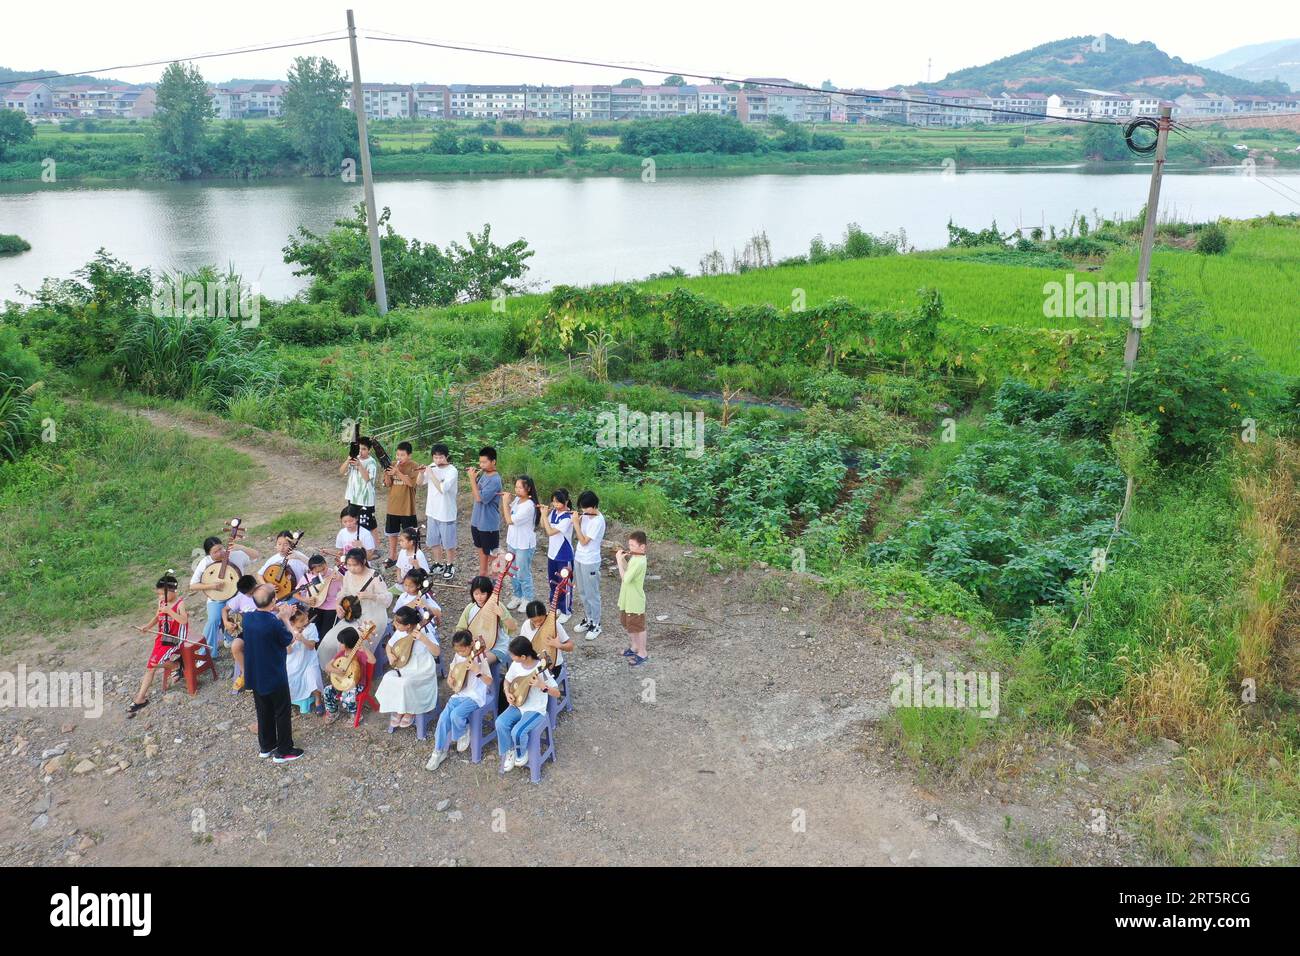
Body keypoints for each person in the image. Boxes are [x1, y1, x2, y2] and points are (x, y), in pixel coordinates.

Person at [241, 584, 303, 762]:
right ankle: (284, 751)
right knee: (282, 712)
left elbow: (265, 623)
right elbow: (290, 638)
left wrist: (279, 614)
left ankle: (266, 746)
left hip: (255, 674)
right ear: (274, 600)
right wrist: (285, 619)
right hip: (274, 675)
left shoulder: (248, 618)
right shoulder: (274, 624)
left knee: (263, 710)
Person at [425, 630, 493, 771]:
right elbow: (453, 669)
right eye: (458, 651)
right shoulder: (458, 656)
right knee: (443, 718)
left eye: (463, 651)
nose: (460, 653)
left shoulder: (480, 658)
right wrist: (450, 678)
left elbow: (489, 681)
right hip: (459, 693)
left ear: (471, 645)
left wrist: (477, 670)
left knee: (456, 714)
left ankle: (462, 731)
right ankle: (438, 751)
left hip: (475, 696)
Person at [126, 572, 190, 716]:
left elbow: (184, 621)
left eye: (163, 594)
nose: (161, 597)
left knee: (153, 664)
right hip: (162, 638)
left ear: (173, 591)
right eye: (159, 594)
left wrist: (170, 611)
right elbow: (157, 616)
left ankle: (177, 666)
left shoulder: (180, 604)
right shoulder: (161, 602)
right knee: (151, 666)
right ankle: (141, 698)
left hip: (175, 639)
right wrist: (147, 626)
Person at [189, 534, 259, 660]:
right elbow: (193, 585)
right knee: (213, 620)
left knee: (242, 615)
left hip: (236, 595)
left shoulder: (235, 554)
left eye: (221, 549)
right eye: (215, 552)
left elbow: (256, 555)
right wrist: (211, 586)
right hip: (216, 597)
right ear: (208, 554)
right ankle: (206, 653)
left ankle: (231, 637)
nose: (220, 553)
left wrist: (241, 547)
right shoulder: (205, 562)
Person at [496, 636, 561, 773]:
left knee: (517, 731)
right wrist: (507, 693)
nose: (511, 658)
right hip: (518, 704)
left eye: (513, 656)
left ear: (524, 656)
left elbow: (557, 693)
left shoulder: (541, 669)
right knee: (500, 722)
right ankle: (510, 750)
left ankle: (521, 752)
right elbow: (507, 681)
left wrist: (542, 685)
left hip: (535, 710)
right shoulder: (516, 665)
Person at [318, 548, 391, 668]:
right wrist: (338, 605)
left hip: (373, 616)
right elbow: (343, 592)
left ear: (363, 561)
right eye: (349, 565)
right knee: (329, 641)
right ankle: (335, 668)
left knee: (351, 643)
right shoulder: (348, 574)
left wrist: (371, 596)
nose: (351, 568)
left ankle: (354, 671)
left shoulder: (374, 576)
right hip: (353, 613)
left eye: (355, 565)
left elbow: (388, 598)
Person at [376, 605, 441, 729]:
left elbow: (437, 652)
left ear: (408, 626)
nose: (395, 624)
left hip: (422, 671)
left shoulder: (424, 632)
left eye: (398, 623)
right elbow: (390, 646)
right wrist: (390, 655)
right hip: (404, 668)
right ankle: (399, 707)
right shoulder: (400, 633)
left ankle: (410, 710)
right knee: (388, 678)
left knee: (406, 683)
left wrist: (423, 639)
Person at [418, 442, 458, 579]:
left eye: (441, 457)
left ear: (447, 456)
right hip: (432, 511)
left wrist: (430, 472)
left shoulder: (452, 471)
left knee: (448, 542)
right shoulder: (432, 467)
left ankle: (450, 564)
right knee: (433, 540)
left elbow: (442, 489)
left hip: (446, 513)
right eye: (435, 457)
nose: (437, 460)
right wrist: (422, 473)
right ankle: (438, 563)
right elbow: (419, 483)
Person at [322, 626, 376, 723]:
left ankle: (355, 715)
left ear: (348, 643)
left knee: (347, 695)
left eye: (341, 642)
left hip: (357, 684)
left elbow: (373, 660)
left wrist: (365, 649)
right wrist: (337, 671)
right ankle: (333, 711)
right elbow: (327, 666)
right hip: (341, 681)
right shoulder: (342, 653)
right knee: (327, 690)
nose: (339, 644)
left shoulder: (360, 654)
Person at [500, 474, 538, 612]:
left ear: (528, 488)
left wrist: (504, 502)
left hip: (524, 544)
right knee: (512, 570)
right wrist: (509, 502)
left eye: (520, 487)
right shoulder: (517, 500)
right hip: (513, 541)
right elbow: (509, 513)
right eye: (515, 487)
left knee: (523, 571)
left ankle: (527, 598)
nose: (517, 490)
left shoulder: (529, 506)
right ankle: (517, 595)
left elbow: (509, 520)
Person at [572, 490, 606, 640]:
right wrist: (577, 519)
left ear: (594, 506)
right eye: (582, 508)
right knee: (582, 591)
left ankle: (596, 624)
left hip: (590, 561)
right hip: (579, 558)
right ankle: (588, 619)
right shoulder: (586, 516)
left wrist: (575, 524)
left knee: (592, 594)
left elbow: (584, 541)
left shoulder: (598, 521)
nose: (583, 511)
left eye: (586, 508)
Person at [382, 441, 421, 568]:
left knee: (410, 536)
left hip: (407, 508)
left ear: (409, 455)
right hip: (393, 507)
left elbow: (411, 483)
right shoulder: (392, 464)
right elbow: (387, 484)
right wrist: (386, 473)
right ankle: (392, 556)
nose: (399, 458)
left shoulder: (414, 466)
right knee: (392, 534)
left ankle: (412, 558)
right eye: (398, 455)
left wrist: (398, 472)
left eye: (402, 455)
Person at [540, 488, 575, 623]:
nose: (555, 504)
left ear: (566, 501)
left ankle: (566, 610)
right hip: (552, 554)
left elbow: (550, 532)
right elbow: (544, 525)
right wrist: (544, 513)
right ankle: (556, 607)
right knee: (553, 582)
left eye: (558, 502)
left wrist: (544, 515)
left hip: (564, 555)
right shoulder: (554, 512)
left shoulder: (568, 517)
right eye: (553, 502)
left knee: (564, 584)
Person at [466, 446, 503, 577]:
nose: (481, 465)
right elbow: (477, 490)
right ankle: (482, 575)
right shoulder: (484, 475)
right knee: (481, 549)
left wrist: (471, 479)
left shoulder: (495, 480)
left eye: (484, 462)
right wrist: (475, 479)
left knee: (492, 552)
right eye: (480, 462)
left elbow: (479, 497)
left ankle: (494, 579)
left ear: (493, 462)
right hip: (477, 520)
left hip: (488, 523)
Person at [616, 531, 649, 667]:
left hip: (635, 600)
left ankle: (643, 652)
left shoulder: (640, 561)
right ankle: (634, 647)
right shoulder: (635, 558)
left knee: (638, 626)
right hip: (626, 598)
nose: (630, 548)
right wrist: (623, 559)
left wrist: (618, 560)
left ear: (642, 547)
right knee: (628, 624)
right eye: (629, 545)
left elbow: (626, 578)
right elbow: (627, 570)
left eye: (633, 545)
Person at [285, 605, 324, 715]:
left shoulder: (312, 627)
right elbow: (288, 651)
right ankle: (293, 698)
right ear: (292, 623)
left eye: (306, 618)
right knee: (288, 677)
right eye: (301, 621)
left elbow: (311, 646)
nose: (306, 621)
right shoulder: (288, 630)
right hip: (293, 660)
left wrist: (302, 639)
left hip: (309, 659)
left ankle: (318, 701)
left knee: (313, 676)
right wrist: (290, 642)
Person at [223, 574, 259, 692]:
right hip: (245, 630)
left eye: (252, 592)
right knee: (235, 646)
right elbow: (225, 609)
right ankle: (245, 672)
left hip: (261, 629)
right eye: (248, 594)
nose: (250, 595)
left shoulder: (264, 592)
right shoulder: (240, 597)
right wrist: (226, 622)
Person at [519, 599, 573, 676]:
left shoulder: (554, 625)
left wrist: (559, 645)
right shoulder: (526, 625)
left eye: (540, 620)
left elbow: (571, 646)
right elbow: (522, 645)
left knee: (536, 684)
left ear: (545, 615)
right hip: (533, 663)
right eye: (534, 621)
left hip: (553, 666)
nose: (537, 624)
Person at [340, 436, 379, 532]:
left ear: (369, 450)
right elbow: (341, 471)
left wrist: (359, 465)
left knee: (368, 527)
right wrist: (347, 460)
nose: (361, 451)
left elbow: (367, 478)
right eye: (359, 449)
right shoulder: (354, 458)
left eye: (364, 449)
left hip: (365, 500)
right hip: (353, 498)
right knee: (353, 524)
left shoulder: (371, 462)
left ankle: (370, 546)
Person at [304, 554, 342, 635]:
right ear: (311, 571)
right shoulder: (308, 576)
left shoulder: (335, 574)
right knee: (311, 631)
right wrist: (307, 600)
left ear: (326, 564)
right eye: (318, 572)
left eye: (324, 569)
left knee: (325, 633)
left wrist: (341, 579)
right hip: (316, 606)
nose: (322, 572)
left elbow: (346, 589)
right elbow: (297, 593)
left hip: (332, 608)